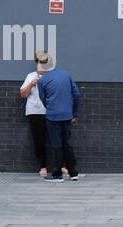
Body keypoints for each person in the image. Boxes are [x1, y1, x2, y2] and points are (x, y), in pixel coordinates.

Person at [36, 53, 81, 181]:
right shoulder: (66, 75)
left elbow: (43, 99)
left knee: (56, 144)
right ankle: (73, 173)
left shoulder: (42, 81)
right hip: (67, 115)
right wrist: (74, 113)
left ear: (43, 66)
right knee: (67, 144)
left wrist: (51, 109)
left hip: (53, 116)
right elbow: (76, 95)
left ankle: (57, 174)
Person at [20, 51, 50, 176]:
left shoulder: (52, 76)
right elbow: (22, 94)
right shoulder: (30, 76)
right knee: (39, 140)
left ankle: (62, 165)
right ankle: (43, 166)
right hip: (34, 112)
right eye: (39, 61)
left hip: (50, 112)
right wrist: (31, 85)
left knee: (56, 139)